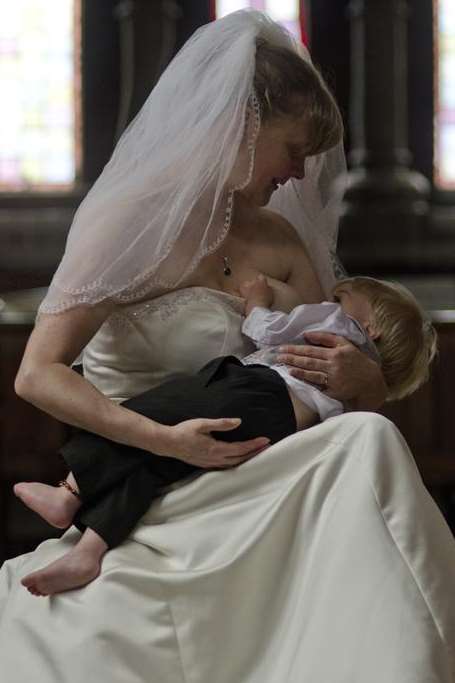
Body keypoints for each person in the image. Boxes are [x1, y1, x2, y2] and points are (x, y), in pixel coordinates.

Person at [1, 9, 454, 683]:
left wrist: (363, 381)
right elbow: (37, 376)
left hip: (260, 468)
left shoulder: (280, 241)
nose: (299, 173)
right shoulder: (131, 223)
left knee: (369, 442)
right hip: (143, 476)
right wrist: (164, 441)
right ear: (241, 124)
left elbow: (317, 378)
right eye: (292, 149)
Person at [13, 273, 437, 597]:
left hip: (256, 392)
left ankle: (70, 491)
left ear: (371, 326)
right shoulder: (351, 381)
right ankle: (90, 550)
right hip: (279, 423)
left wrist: (257, 301)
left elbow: (267, 330)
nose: (330, 300)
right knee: (158, 458)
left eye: (342, 298)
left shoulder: (337, 328)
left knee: (144, 416)